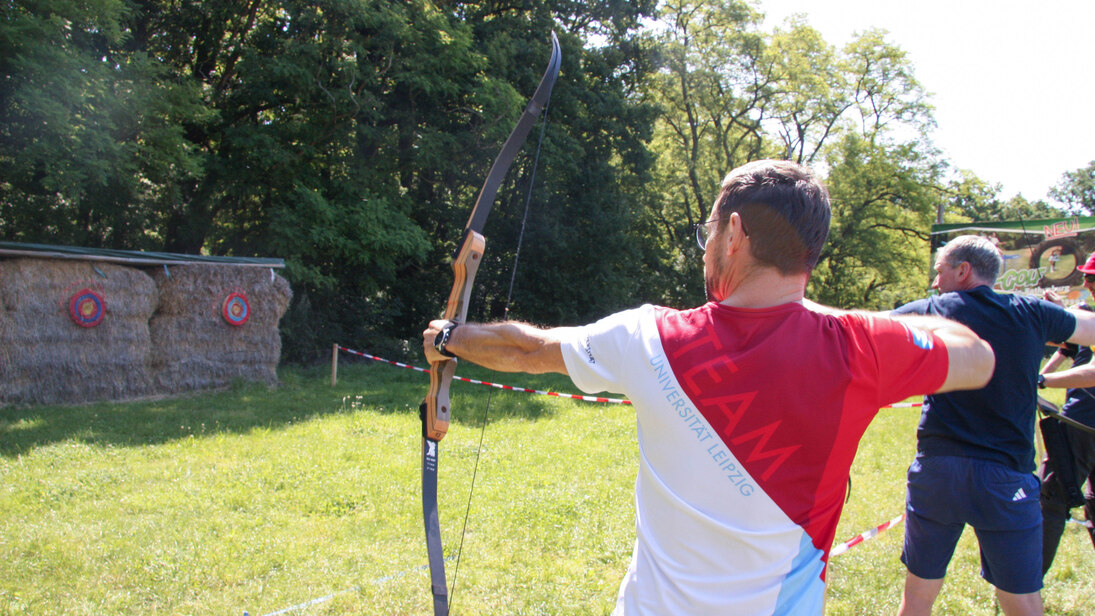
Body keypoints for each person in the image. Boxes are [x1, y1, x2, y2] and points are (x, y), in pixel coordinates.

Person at [421, 160, 994, 615]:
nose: (707, 246)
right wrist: (863, 326)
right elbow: (978, 356)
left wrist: (449, 336)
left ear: (736, 234)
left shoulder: (649, 335)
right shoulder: (862, 346)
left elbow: (527, 349)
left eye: (710, 231)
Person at [892, 235, 1095, 616]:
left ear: (963, 271)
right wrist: (1061, 313)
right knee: (1023, 603)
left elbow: (858, 332)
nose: (936, 282)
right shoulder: (1033, 312)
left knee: (916, 599)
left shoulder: (932, 309)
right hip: (1006, 480)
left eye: (940, 272)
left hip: (940, 474)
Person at [1037, 252, 1095, 574]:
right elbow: (1065, 347)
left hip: (1083, 425)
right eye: (1086, 277)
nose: (1088, 283)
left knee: (1052, 498)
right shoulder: (1087, 317)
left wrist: (1042, 380)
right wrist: (1061, 313)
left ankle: (1025, 589)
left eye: (1093, 278)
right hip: (1085, 422)